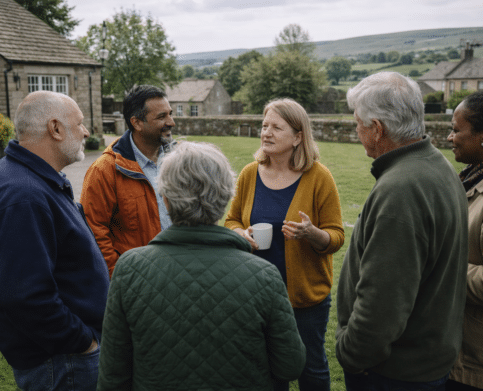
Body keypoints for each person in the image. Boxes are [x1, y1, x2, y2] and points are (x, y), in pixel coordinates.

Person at [96, 141, 306, 391]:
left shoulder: (129, 269)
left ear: (165, 198)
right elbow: (290, 365)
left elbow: (112, 374)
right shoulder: (264, 275)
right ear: (227, 196)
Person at [335, 72, 469, 391]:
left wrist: (350, 354)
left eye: (359, 124)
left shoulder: (401, 190)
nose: (357, 132)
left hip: (395, 373)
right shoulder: (437, 165)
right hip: (426, 363)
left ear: (378, 129)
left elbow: (382, 305)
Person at [225, 98, 345, 391]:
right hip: (257, 296)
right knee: (267, 372)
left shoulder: (319, 177)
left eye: (276, 127)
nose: (266, 132)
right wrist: (240, 234)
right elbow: (231, 221)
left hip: (305, 299)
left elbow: (337, 236)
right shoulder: (249, 173)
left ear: (298, 136)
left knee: (311, 369)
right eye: (264, 126)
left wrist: (312, 233)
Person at [0, 91, 110, 391]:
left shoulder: (35, 179)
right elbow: (26, 296)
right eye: (80, 124)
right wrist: (83, 342)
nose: (86, 132)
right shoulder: (25, 194)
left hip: (64, 357)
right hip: (62, 361)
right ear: (56, 129)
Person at [81, 84, 175, 277]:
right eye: (161, 116)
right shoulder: (104, 170)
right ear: (137, 123)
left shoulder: (182, 159)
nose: (171, 122)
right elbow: (95, 233)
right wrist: (122, 279)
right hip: (139, 282)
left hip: (182, 275)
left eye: (170, 114)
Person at [445, 89, 483, 391]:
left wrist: (442, 266)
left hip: (479, 363)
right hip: (459, 349)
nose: (450, 138)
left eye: (456, 130)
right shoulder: (473, 178)